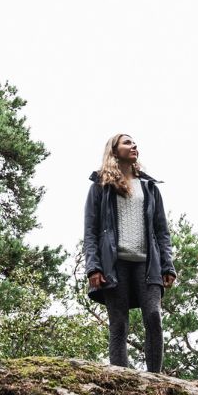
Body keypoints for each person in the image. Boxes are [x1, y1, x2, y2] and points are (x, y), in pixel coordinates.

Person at [82, 132, 176, 372]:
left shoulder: (149, 187)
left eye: (135, 143)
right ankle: (121, 378)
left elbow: (161, 231)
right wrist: (93, 267)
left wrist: (168, 265)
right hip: (115, 265)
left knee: (153, 317)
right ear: (114, 150)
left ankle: (156, 377)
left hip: (147, 264)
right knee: (119, 324)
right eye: (127, 142)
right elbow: (91, 231)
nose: (134, 145)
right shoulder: (100, 187)